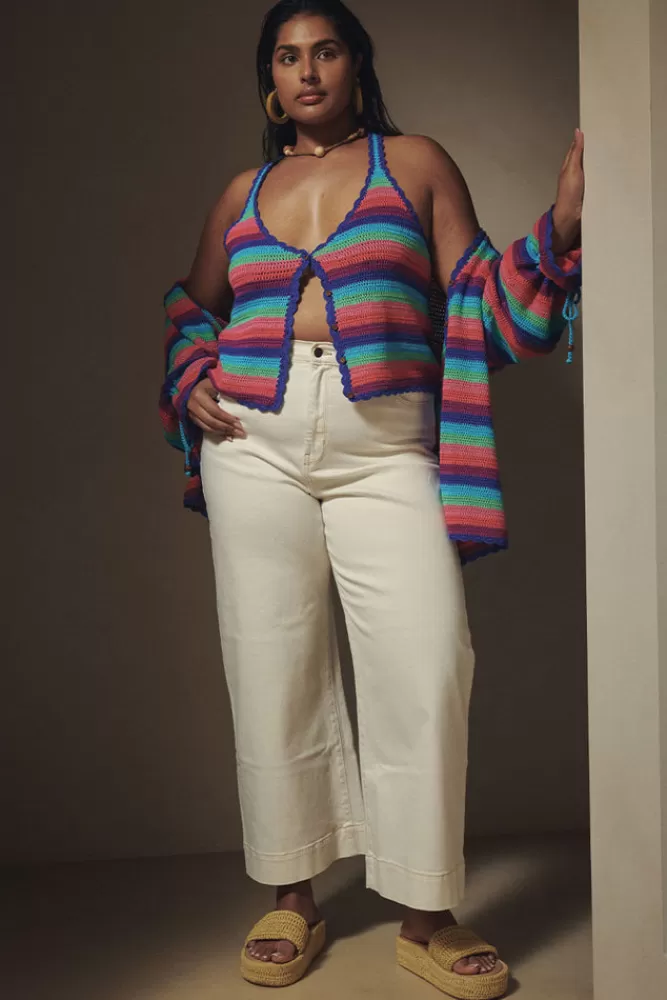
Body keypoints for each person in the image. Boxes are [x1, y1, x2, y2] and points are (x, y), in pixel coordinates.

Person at [158, 0, 583, 995]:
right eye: (287, 56)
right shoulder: (242, 192)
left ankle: (424, 912)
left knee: (427, 660)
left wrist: (561, 228)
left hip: (385, 443)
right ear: (272, 79)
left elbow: (479, 300)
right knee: (271, 662)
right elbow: (190, 306)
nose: (307, 71)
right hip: (254, 445)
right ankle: (292, 895)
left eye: (325, 51)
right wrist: (190, 375)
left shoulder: (415, 164)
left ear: (356, 63)